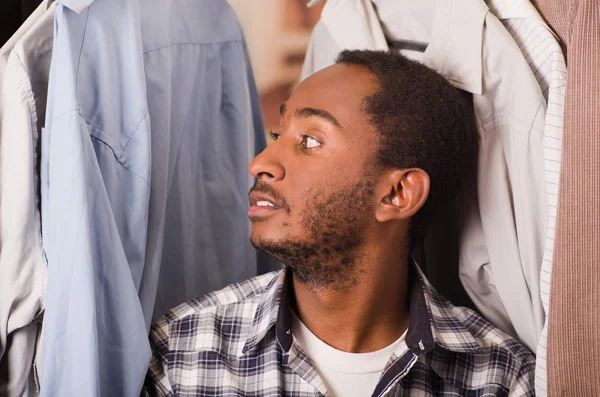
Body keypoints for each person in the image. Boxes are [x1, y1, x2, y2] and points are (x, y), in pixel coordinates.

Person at [142, 50, 535, 397]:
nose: (260, 163)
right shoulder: (182, 354)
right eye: (277, 134)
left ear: (397, 193)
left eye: (310, 140)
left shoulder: (501, 378)